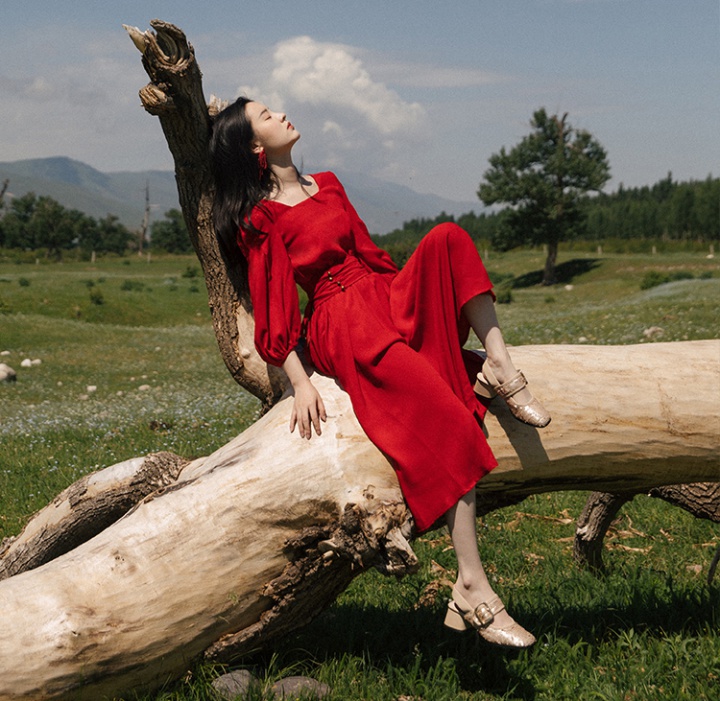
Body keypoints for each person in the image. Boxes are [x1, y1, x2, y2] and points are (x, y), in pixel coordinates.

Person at [209, 97, 550, 649]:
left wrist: (410, 298)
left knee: (448, 239)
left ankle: (500, 368)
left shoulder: (330, 183)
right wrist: (298, 381)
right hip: (341, 320)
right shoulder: (261, 218)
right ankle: (471, 585)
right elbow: (275, 312)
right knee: (447, 418)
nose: (282, 114)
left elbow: (372, 255)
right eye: (267, 116)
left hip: (377, 295)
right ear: (253, 147)